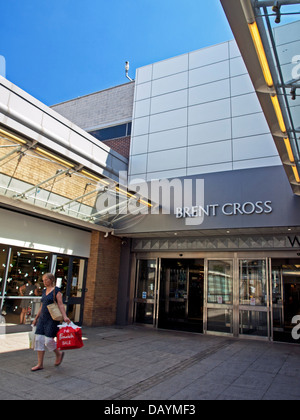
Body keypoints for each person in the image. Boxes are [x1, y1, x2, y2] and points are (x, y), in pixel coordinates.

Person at [31, 273, 70, 372]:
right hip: (42, 319)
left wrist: (65, 317)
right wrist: (36, 318)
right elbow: (42, 305)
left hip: (52, 319)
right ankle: (40, 364)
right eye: (43, 280)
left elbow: (61, 305)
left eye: (46, 280)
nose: (44, 282)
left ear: (51, 280)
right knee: (39, 340)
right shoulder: (44, 291)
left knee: (48, 341)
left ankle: (58, 354)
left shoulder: (57, 291)